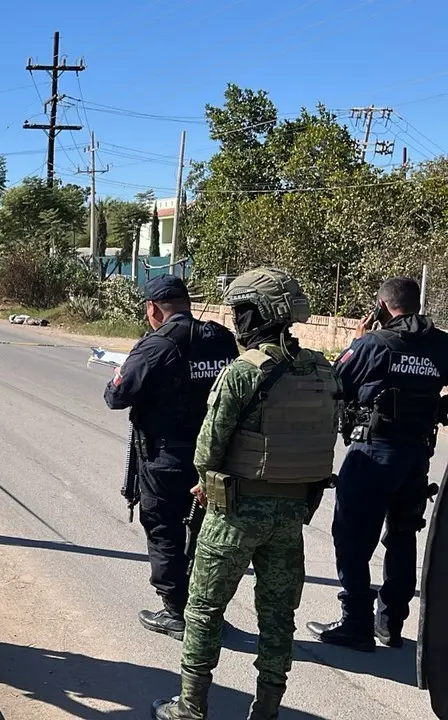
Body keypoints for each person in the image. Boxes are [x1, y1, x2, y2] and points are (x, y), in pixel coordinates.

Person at [152, 267, 340, 720]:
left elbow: (206, 451)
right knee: (278, 619)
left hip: (234, 515)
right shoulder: (321, 369)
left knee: (203, 610)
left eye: (242, 312)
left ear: (261, 315)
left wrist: (208, 479)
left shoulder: (244, 372)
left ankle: (191, 707)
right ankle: (267, 710)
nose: (237, 320)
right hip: (291, 516)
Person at [307, 276, 448, 651]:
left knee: (352, 538)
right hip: (417, 457)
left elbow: (336, 383)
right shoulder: (441, 343)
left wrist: (357, 340)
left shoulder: (374, 343)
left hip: (373, 453)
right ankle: (391, 625)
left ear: (382, 307)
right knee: (403, 535)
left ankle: (356, 623)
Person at [104, 274, 239, 640]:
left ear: (152, 308)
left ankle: (176, 612)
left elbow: (117, 396)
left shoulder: (155, 345)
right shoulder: (221, 339)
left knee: (164, 529)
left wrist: (119, 373)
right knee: (206, 533)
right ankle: (204, 608)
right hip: (215, 456)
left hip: (166, 458)